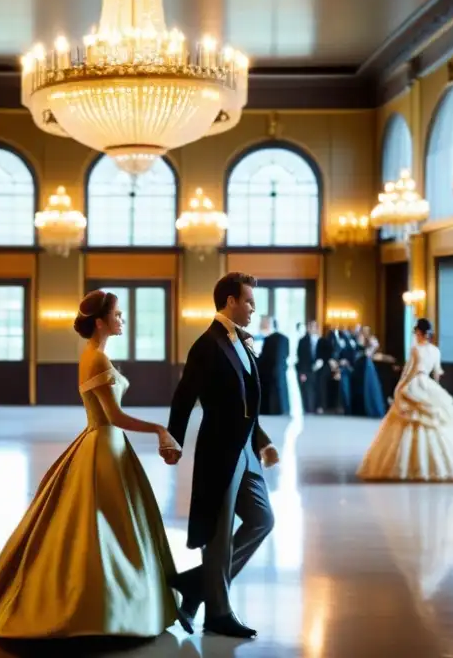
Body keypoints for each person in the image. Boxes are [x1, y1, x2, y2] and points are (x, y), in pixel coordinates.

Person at [0, 290, 182, 638]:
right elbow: (115, 416)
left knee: (108, 527)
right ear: (100, 321)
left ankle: (111, 603)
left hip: (104, 443)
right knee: (101, 529)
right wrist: (159, 429)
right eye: (118, 314)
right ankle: (100, 608)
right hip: (103, 443)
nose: (122, 319)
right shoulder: (96, 360)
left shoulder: (95, 355)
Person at [165, 272, 279, 639]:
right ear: (230, 301)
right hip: (219, 449)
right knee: (218, 534)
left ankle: (197, 584)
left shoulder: (243, 342)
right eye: (248, 301)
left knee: (263, 519)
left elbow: (248, 399)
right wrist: (174, 441)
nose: (252, 308)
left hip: (246, 449)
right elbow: (184, 397)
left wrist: (261, 440)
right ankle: (218, 611)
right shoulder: (207, 344)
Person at [357, 318, 453, 482]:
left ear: (419, 333)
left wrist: (399, 388)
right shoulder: (435, 351)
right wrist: (435, 392)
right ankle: (441, 465)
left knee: (407, 423)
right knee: (438, 423)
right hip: (428, 384)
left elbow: (409, 372)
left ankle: (409, 465)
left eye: (416, 333)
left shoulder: (415, 350)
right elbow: (437, 374)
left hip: (414, 383)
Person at [256, 316, 290, 416]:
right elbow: (287, 355)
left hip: (268, 372)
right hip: (281, 371)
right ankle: (283, 409)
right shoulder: (284, 338)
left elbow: (264, 357)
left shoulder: (268, 339)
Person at [350, 327, 386, 419]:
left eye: (366, 331)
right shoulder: (360, 339)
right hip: (361, 366)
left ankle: (369, 408)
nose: (365, 332)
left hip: (367, 365)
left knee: (369, 387)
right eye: (364, 330)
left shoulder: (372, 340)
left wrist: (369, 351)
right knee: (361, 387)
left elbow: (370, 352)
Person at [295, 321, 319, 414]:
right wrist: (302, 372)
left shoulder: (319, 340)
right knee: (307, 390)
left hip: (317, 370)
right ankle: (308, 409)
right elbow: (301, 357)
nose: (313, 328)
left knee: (314, 390)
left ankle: (314, 408)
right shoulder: (303, 341)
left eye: (314, 326)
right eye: (311, 326)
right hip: (306, 370)